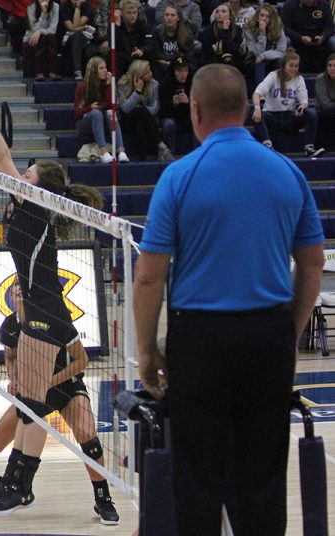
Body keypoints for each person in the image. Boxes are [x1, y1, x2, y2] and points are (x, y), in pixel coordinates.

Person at [134, 62, 325, 536]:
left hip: (201, 339)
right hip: (269, 336)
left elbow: (149, 278)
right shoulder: (287, 172)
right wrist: (290, 331)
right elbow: (314, 262)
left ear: (194, 110)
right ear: (248, 109)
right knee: (262, 478)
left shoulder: (180, 177)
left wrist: (146, 350)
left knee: (196, 478)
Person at [0, 73, 114, 519]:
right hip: (36, 307)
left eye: (28, 173)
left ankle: (22, 485)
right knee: (28, 400)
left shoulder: (37, 205)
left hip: (47, 309)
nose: (19, 175)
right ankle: (15, 481)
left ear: (39, 187)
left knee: (34, 404)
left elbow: (0, 154)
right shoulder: (21, 201)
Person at [0, 279, 118, 524]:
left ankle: (103, 499)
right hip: (34, 391)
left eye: (24, 289)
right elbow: (10, 357)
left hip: (65, 386)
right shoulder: (10, 326)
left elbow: (82, 360)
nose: (20, 293)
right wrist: (13, 379)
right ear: (11, 296)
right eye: (16, 290)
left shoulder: (56, 319)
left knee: (87, 434)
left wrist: (48, 381)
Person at [251, 48, 324, 157]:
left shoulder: (299, 79)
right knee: (256, 114)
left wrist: (301, 108)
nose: (294, 68)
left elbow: (304, 101)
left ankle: (309, 148)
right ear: (284, 65)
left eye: (296, 66)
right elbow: (257, 93)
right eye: (291, 65)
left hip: (289, 116)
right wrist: (257, 107)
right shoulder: (273, 76)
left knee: (311, 113)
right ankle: (268, 145)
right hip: (272, 116)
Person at [73, 56, 128, 163]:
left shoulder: (108, 84)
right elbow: (77, 113)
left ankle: (121, 151)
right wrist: (89, 108)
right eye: (101, 68)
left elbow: (112, 106)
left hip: (104, 122)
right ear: (94, 71)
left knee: (110, 112)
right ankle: (104, 152)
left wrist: (108, 86)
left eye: (105, 67)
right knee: (96, 113)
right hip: (85, 122)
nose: (105, 71)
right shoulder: (83, 86)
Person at [117, 60, 174, 161]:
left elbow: (155, 109)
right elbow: (125, 109)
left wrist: (140, 110)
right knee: (140, 112)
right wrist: (137, 91)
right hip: (127, 121)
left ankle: (142, 160)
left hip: (148, 122)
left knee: (140, 123)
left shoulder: (154, 84)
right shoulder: (123, 84)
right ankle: (161, 146)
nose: (151, 73)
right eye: (147, 72)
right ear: (139, 75)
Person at [281, 0, 334, 73]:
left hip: (320, 39)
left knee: (333, 42)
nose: (311, 1)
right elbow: (285, 28)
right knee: (286, 41)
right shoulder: (289, 5)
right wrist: (300, 38)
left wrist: (322, 37)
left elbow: (330, 27)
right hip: (296, 39)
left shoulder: (324, 4)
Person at [158, 56, 195, 156]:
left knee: (198, 122)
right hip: (171, 118)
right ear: (173, 71)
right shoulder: (165, 84)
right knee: (168, 124)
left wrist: (189, 102)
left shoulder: (193, 83)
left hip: (188, 118)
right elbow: (162, 112)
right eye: (179, 71)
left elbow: (200, 108)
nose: (183, 74)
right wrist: (173, 104)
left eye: (185, 70)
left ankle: (197, 156)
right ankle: (169, 156)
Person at [243, 5, 287, 88]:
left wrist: (264, 56)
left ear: (272, 18)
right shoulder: (249, 28)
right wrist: (262, 33)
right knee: (260, 63)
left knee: (280, 61)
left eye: (267, 16)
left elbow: (281, 52)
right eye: (262, 15)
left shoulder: (278, 28)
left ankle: (279, 91)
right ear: (257, 16)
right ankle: (260, 93)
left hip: (270, 59)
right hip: (253, 61)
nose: (264, 18)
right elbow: (257, 52)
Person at [151, 5, 197, 81]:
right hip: (161, 66)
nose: (169, 18)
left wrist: (171, 61)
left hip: (181, 65)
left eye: (173, 15)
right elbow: (156, 54)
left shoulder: (187, 34)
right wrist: (176, 56)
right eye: (167, 15)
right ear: (164, 17)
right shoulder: (157, 31)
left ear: (178, 18)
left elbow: (187, 56)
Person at [22, 0, 60, 81]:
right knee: (42, 39)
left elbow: (53, 29)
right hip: (30, 41)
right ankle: (39, 73)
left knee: (50, 37)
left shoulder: (55, 7)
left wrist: (40, 32)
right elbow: (34, 30)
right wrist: (44, 13)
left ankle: (52, 72)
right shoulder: (31, 8)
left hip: (48, 41)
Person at [114, 0, 152, 78]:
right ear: (122, 13)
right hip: (123, 59)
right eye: (129, 13)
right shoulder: (116, 25)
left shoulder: (142, 24)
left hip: (139, 57)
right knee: (118, 57)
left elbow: (150, 43)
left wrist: (142, 50)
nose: (133, 15)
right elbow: (115, 44)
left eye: (135, 12)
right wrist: (117, 25)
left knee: (152, 56)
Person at [58, 0, 94, 81]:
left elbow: (75, 24)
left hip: (87, 36)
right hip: (70, 37)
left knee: (78, 37)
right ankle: (77, 71)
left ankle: (78, 71)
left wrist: (78, 6)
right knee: (77, 37)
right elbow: (71, 27)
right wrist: (84, 27)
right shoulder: (64, 7)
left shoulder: (89, 7)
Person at [316, 53, 335, 132]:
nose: (332, 68)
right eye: (329, 65)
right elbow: (326, 105)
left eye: (334, 66)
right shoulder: (321, 79)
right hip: (324, 114)